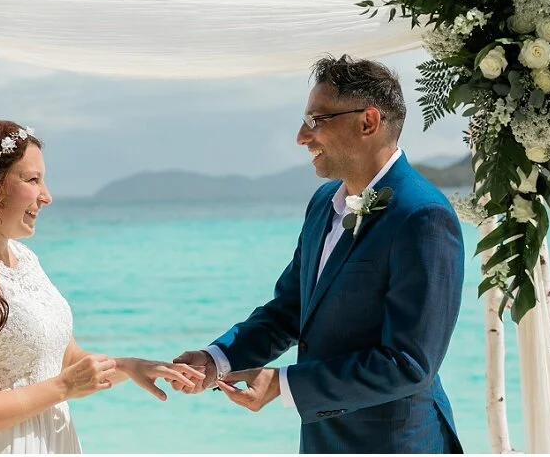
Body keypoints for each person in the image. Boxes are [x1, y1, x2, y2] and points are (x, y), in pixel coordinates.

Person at [173, 55, 465, 453]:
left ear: (368, 122)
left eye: (316, 120)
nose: (301, 136)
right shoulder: (323, 203)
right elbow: (290, 311)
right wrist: (217, 359)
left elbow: (409, 364)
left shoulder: (423, 215)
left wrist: (283, 384)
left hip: (398, 442)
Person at [0, 119, 203, 453]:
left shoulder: (25, 260)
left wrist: (129, 366)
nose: (47, 196)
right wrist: (63, 388)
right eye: (32, 180)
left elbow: (65, 358)